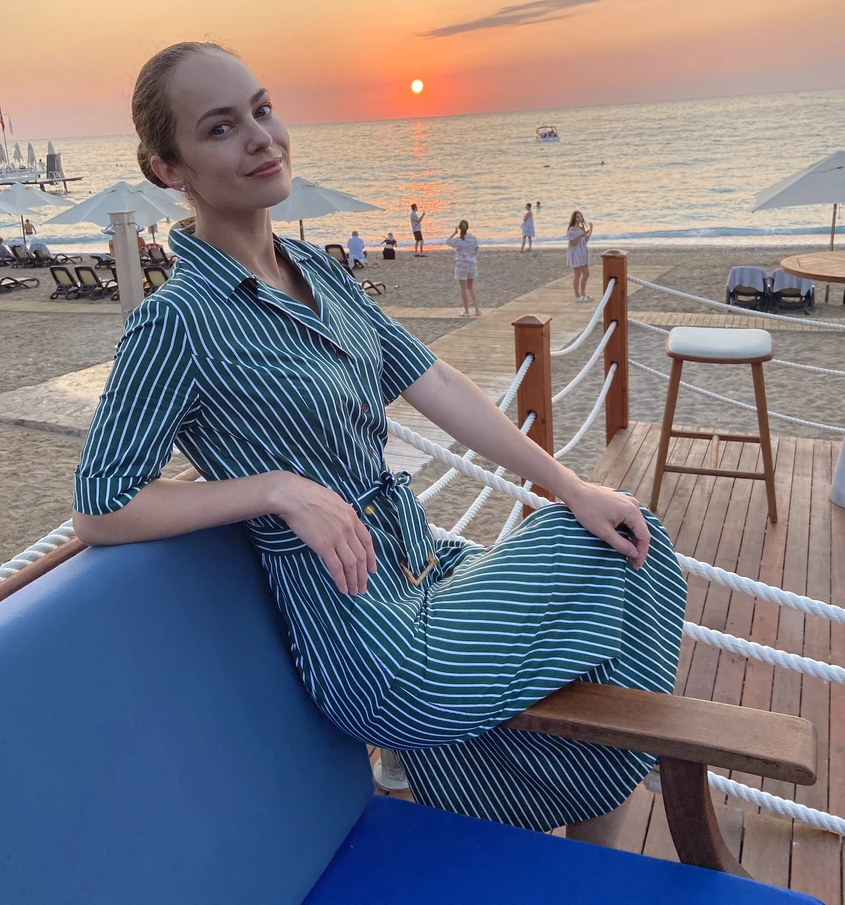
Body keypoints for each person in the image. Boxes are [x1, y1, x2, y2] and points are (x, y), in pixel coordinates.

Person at [73, 41, 684, 847]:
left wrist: (569, 486)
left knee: (622, 534)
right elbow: (102, 504)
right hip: (367, 637)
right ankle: (589, 811)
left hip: (419, 567)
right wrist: (277, 489)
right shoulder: (177, 320)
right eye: (220, 128)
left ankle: (543, 821)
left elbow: (438, 383)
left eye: (262, 109)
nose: (260, 137)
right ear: (168, 169)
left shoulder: (315, 270)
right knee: (628, 545)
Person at [445, 220, 480, 317]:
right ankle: (477, 309)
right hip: (472, 265)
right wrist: (472, 257)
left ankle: (467, 311)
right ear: (467, 227)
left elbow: (448, 241)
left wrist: (454, 233)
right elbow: (477, 249)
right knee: (471, 288)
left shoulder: (457, 240)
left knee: (463, 289)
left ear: (460, 228)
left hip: (461, 266)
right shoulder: (473, 238)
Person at [567, 210, 593, 302]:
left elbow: (585, 241)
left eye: (580, 216)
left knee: (586, 273)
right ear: (574, 218)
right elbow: (572, 243)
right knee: (577, 274)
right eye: (577, 217)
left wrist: (590, 231)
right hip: (575, 252)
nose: (579, 218)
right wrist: (580, 236)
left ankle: (583, 293)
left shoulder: (581, 228)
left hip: (582, 251)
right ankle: (577, 296)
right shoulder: (572, 230)